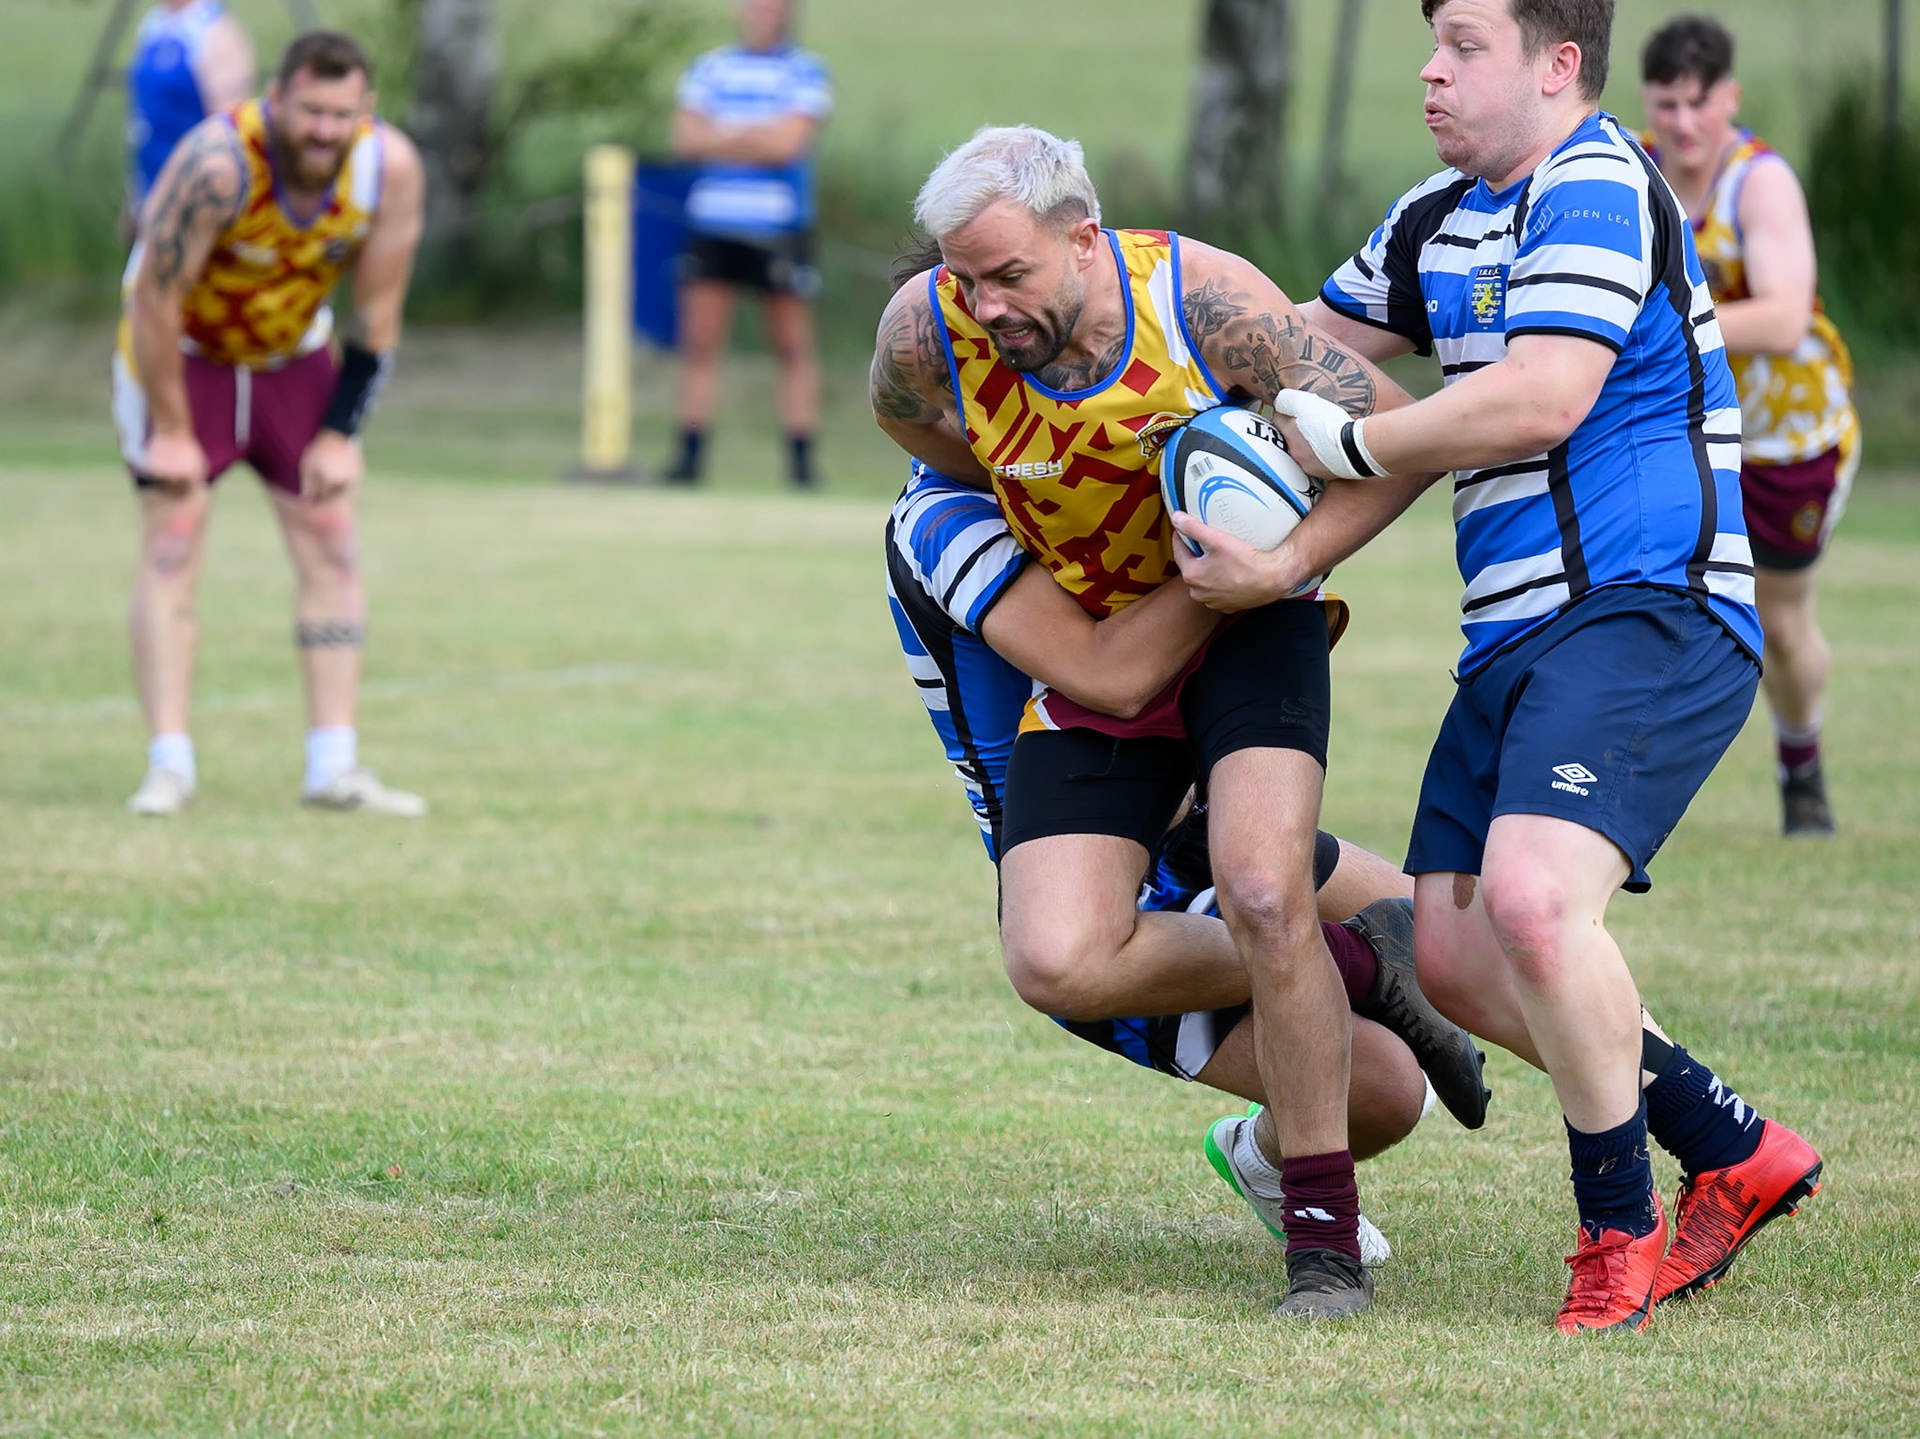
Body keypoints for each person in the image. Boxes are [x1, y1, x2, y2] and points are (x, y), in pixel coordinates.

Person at [1172, 0, 1823, 1333]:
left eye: (1465, 44)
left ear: (1558, 64)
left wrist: (1353, 448)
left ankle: (1617, 1234)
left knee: (1530, 902)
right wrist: (1132, 341)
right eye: (1432, 41)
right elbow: (1294, 343)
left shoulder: (1596, 183)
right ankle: (1732, 1144)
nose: (1431, 69)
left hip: (1647, 603)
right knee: (1459, 955)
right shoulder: (1436, 218)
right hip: (1516, 638)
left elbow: (1541, 395)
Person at [872, 125, 1435, 1320]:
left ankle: (1323, 1255)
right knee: (1054, 957)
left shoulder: (1205, 304)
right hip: (1109, 650)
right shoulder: (931, 335)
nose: (985, 306)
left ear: (1084, 238)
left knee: (1270, 888)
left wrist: (1280, 560)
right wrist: (1027, 480)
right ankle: (1357, 954)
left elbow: (1397, 441)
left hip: (1252, 623)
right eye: (965, 279)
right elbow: (905, 418)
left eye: (1009, 274)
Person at [885, 462, 1496, 1253]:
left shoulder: (1113, 447)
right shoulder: (947, 517)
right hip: (1097, 898)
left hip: (1208, 837)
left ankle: (1653, 1113)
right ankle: (1336, 1008)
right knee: (1386, 1091)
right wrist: (1261, 552)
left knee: (1472, 938)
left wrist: (1278, 527)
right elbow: (1111, 678)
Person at [115, 31, 427, 818]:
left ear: (367, 110)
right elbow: (154, 298)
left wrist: (341, 432)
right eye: (310, 110)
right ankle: (169, 766)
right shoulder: (218, 166)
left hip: (292, 352)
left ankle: (334, 766)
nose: (324, 130)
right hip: (184, 351)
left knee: (332, 540)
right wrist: (172, 429)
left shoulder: (387, 169)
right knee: (175, 537)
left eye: (342, 114)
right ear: (276, 97)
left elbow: (378, 310)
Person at [1640, 15, 1860, 835]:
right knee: (1646, 593)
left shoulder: (1757, 183)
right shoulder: (1635, 170)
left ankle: (1801, 763)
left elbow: (1781, 318)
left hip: (1788, 437)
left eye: (1699, 102)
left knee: (1780, 620)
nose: (1683, 122)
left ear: (1730, 97)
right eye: (1667, 104)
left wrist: (1651, 321)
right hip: (1690, 430)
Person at [664, 0, 832, 489]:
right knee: (700, 344)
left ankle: (801, 463)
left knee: (792, 346)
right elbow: (685, 138)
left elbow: (787, 145)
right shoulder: (709, 67)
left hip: (777, 228)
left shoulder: (804, 70)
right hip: (711, 223)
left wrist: (721, 134)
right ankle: (689, 459)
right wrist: (757, 136)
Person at [125, 0, 255, 228]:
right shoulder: (154, 25)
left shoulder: (216, 31)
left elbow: (228, 132)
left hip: (191, 200)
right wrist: (136, 197)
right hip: (150, 190)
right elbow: (143, 118)